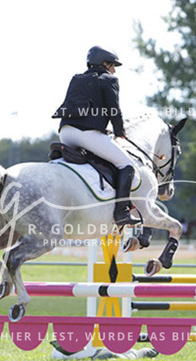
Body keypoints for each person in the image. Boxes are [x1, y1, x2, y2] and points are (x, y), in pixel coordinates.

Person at [52, 46, 140, 226]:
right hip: (86, 134)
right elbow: (114, 110)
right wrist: (119, 132)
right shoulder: (109, 80)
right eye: (113, 65)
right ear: (104, 64)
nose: (114, 70)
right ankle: (122, 212)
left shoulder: (76, 78)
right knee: (127, 165)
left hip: (65, 133)